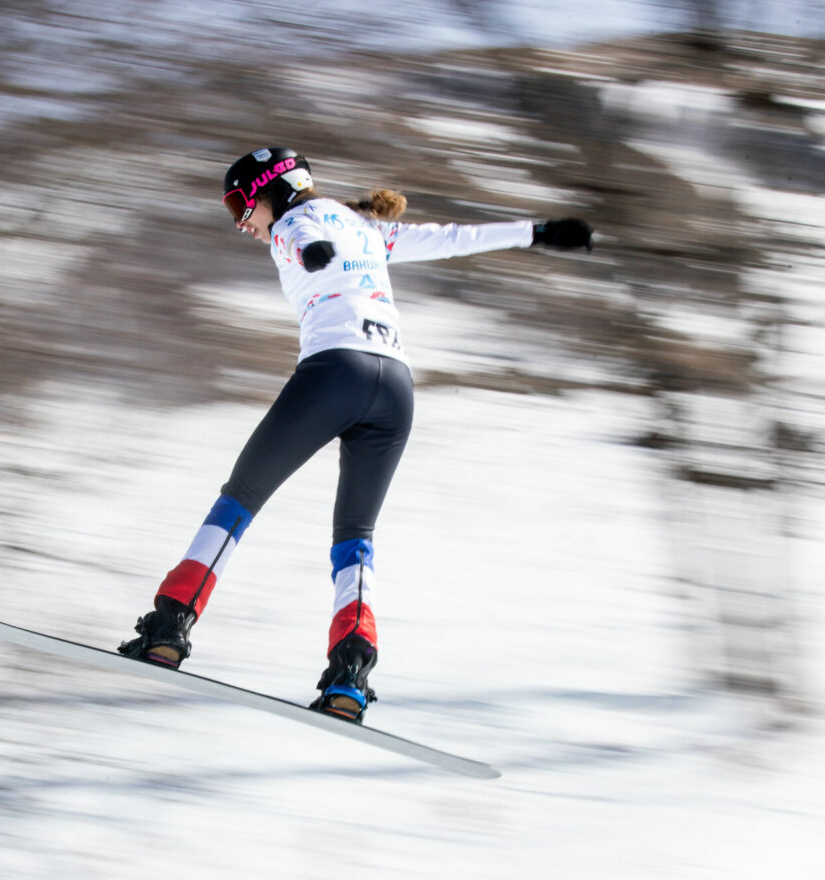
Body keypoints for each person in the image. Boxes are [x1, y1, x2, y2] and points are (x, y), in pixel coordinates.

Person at [118, 146, 593, 721]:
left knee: (239, 500)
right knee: (355, 539)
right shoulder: (366, 227)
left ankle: (169, 627)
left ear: (275, 188)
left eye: (241, 205)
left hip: (335, 374)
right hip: (395, 389)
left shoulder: (296, 221)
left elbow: (299, 238)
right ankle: (350, 675)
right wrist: (537, 233)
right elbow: (450, 238)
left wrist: (311, 253)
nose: (243, 223)